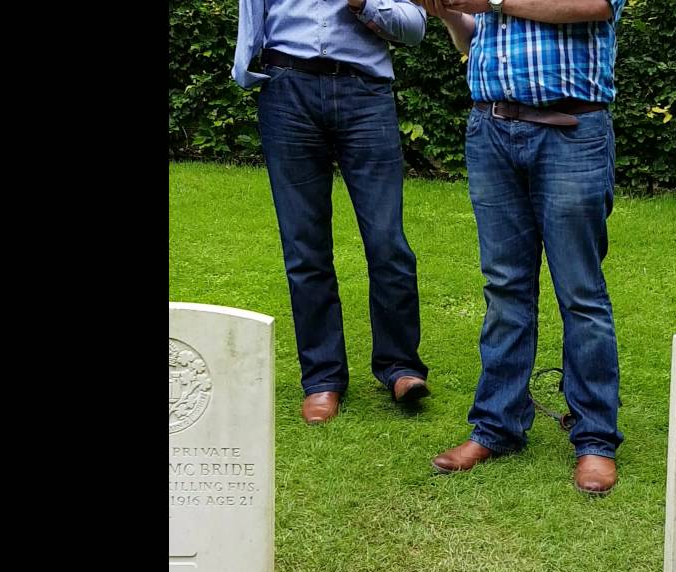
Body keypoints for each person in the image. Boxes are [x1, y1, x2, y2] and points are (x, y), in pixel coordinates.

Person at [421, 0, 626, 494]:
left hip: (572, 131)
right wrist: (449, 13)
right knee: (505, 288)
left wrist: (491, 1)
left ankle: (595, 439)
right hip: (491, 130)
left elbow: (596, 6)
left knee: (581, 292)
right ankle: (497, 426)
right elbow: (477, 38)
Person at [231, 0, 432, 424]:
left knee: (387, 241)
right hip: (287, 89)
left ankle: (400, 367)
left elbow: (415, 27)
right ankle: (322, 379)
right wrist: (246, 66)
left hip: (366, 92)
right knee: (304, 247)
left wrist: (364, 4)